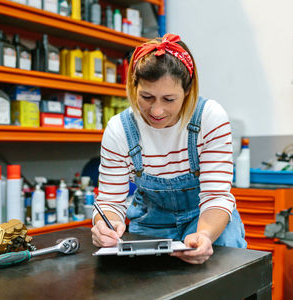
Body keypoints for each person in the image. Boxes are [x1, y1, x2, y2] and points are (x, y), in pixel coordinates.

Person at [91, 33, 247, 264]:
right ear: (133, 87)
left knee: (221, 271)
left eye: (169, 99)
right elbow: (110, 202)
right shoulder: (119, 129)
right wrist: (105, 225)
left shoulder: (209, 117)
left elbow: (216, 197)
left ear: (187, 91)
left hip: (205, 217)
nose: (156, 111)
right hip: (150, 221)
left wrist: (203, 235)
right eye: (146, 97)